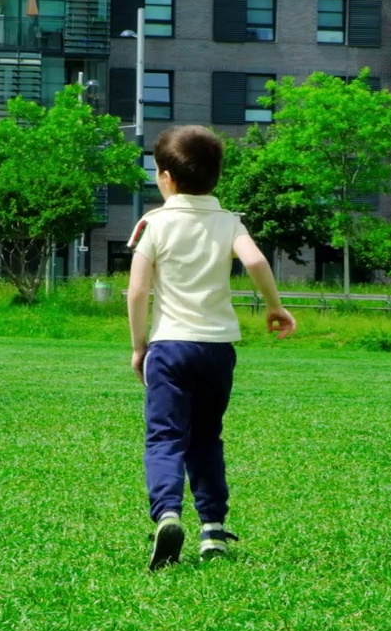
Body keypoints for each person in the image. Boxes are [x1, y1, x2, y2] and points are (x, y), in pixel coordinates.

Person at [126, 125, 296, 571]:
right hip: (217, 348)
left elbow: (138, 291)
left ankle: (166, 515)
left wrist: (138, 346)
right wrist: (275, 307)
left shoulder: (155, 224)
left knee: (165, 437)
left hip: (169, 345)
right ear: (216, 177)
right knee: (206, 437)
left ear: (165, 177)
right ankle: (213, 530)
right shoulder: (229, 222)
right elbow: (256, 260)